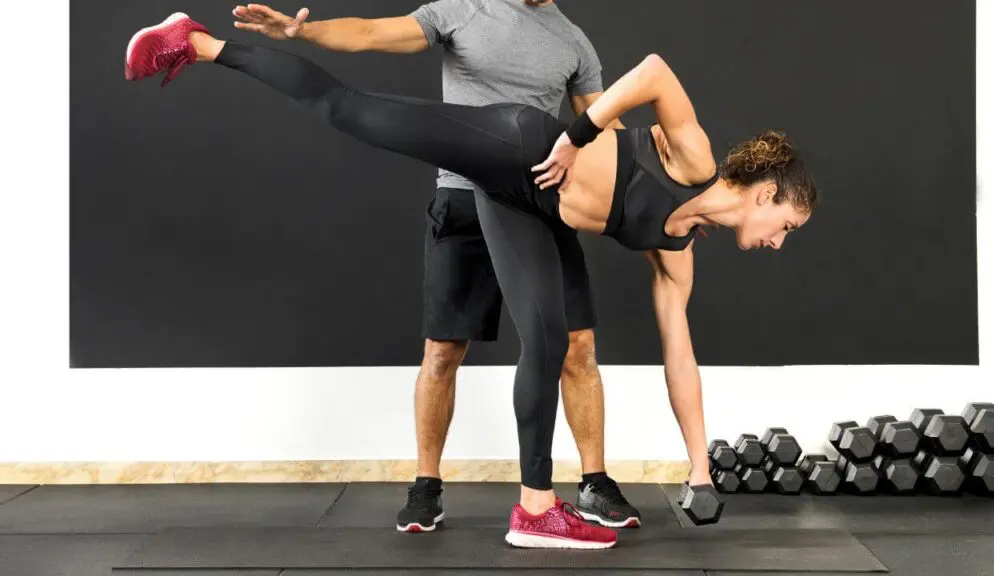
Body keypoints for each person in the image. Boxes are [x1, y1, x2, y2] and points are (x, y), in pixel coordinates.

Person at [124, 11, 818, 550]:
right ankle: (198, 42)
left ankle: (536, 510)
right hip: (516, 143)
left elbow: (680, 357)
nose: (778, 242)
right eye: (785, 225)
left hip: (519, 204)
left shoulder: (679, 250)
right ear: (764, 192)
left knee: (547, 338)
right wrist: (577, 137)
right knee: (351, 111)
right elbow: (657, 72)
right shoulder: (693, 158)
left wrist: (699, 470)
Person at [227, 1, 640, 535]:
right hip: (463, 200)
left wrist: (658, 193)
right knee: (443, 351)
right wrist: (303, 33)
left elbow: (604, 125)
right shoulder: (464, 11)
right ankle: (426, 484)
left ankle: (594, 481)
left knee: (577, 345)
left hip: (538, 205)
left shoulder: (573, 41)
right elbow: (372, 32)